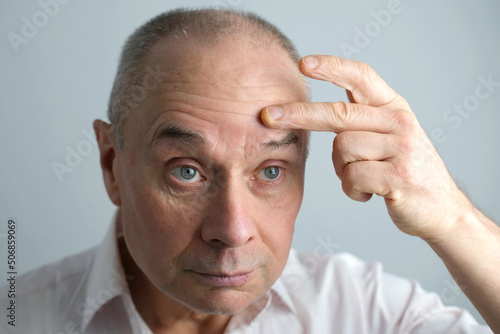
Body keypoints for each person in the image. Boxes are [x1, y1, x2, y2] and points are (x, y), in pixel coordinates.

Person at [2, 8, 498, 334]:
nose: (233, 231)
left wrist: (453, 220)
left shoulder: (365, 313)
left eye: (272, 170)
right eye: (187, 172)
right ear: (113, 165)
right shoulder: (19, 317)